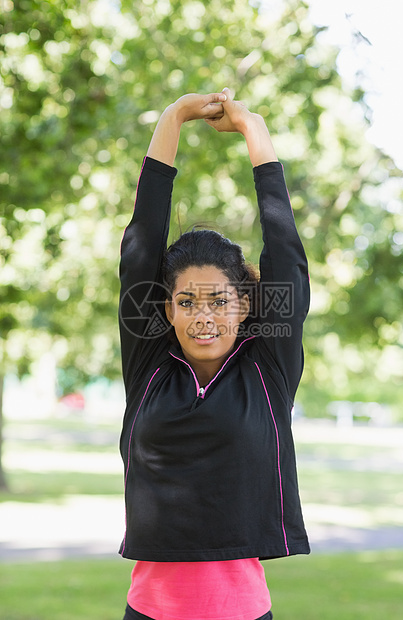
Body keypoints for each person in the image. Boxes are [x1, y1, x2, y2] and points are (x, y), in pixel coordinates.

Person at [118, 88, 310, 620]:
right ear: (167, 309)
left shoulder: (267, 366)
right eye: (187, 301)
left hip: (243, 612)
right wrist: (172, 117)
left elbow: (287, 257)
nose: (203, 316)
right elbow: (141, 248)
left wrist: (255, 132)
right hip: (148, 611)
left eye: (219, 300)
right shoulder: (149, 366)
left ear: (245, 304)